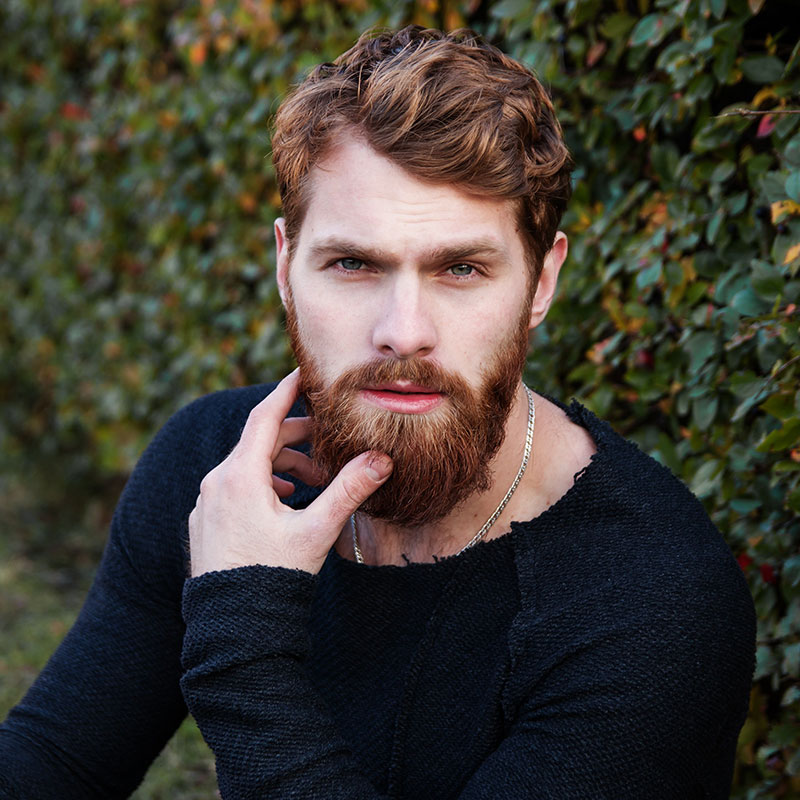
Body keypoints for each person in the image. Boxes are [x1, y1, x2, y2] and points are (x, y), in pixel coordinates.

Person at [0, 25, 755, 800]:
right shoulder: (219, 472)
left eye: (461, 268)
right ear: (286, 268)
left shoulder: (652, 601)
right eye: (353, 263)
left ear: (541, 284)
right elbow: (56, 757)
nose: (404, 331)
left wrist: (245, 630)